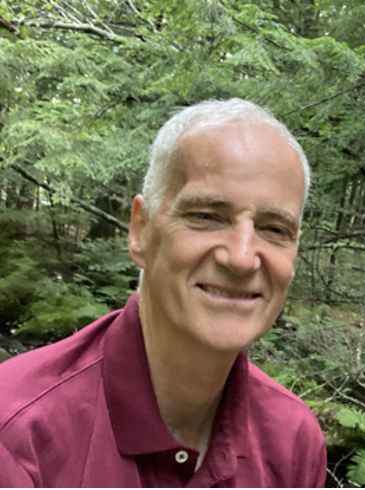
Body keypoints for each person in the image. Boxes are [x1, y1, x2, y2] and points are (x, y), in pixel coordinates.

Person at [0, 99, 327, 486]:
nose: (241, 258)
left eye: (274, 228)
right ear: (140, 230)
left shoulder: (292, 441)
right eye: (206, 217)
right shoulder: (20, 434)